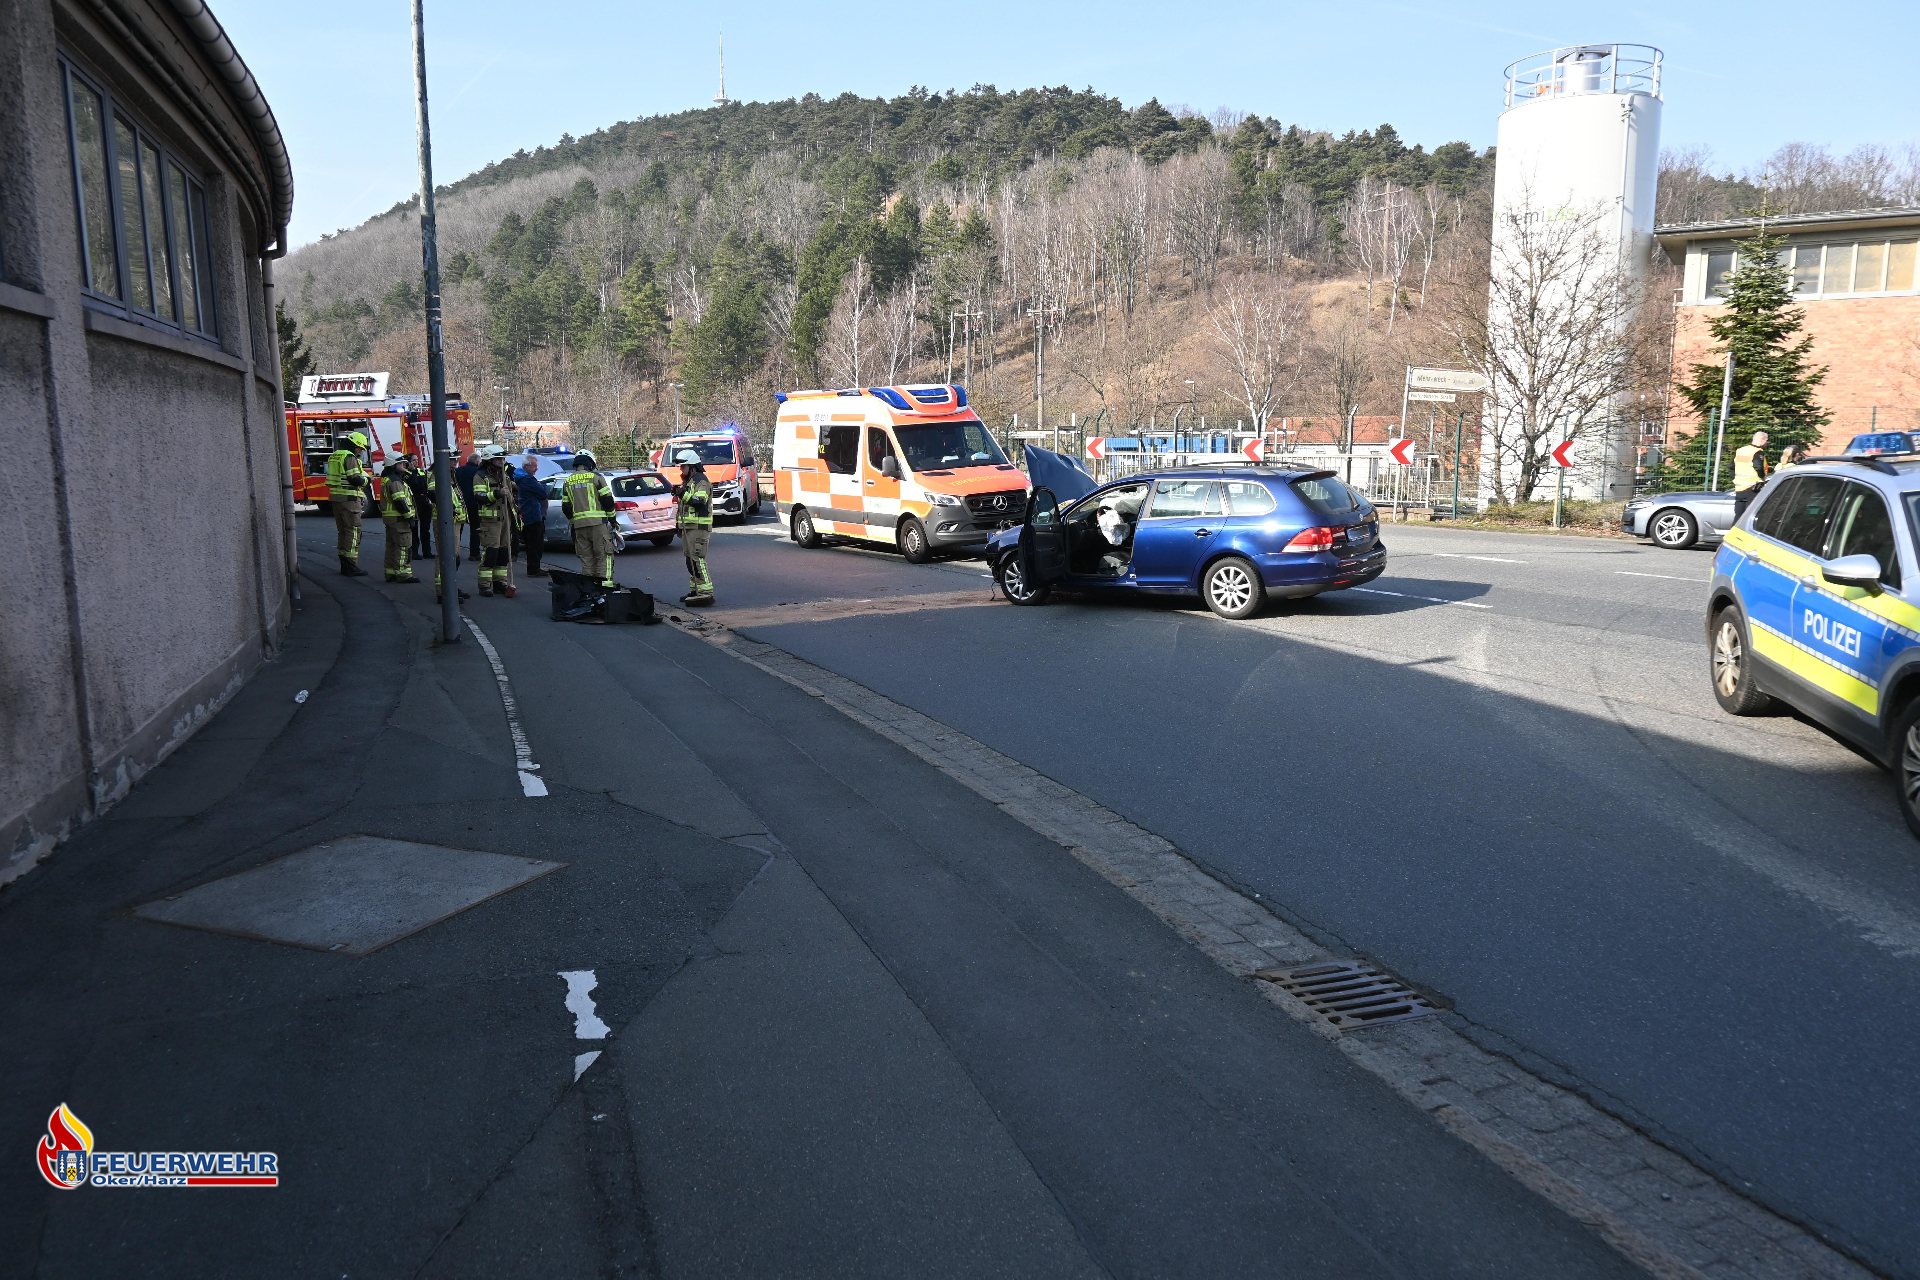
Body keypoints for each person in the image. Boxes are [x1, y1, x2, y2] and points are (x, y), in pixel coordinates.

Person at [561, 451, 619, 587]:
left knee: (586, 559)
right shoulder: (596, 477)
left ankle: (589, 590)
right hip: (598, 525)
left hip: (579, 527)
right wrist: (612, 521)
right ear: (590, 463)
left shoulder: (568, 481)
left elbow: (566, 507)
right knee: (604, 556)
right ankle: (605, 590)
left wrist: (574, 522)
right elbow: (608, 501)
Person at [470, 446, 519, 598]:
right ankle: (485, 585)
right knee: (491, 553)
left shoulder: (504, 475)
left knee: (504, 553)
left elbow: (511, 496)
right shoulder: (480, 476)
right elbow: (479, 496)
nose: (502, 461)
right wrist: (497, 493)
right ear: (489, 459)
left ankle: (500, 583)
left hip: (506, 520)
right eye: (498, 459)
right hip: (490, 521)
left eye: (503, 459)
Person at [325, 430, 372, 576]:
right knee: (353, 531)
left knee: (343, 531)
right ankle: (351, 566)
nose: (360, 451)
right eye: (360, 448)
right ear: (355, 445)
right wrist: (368, 480)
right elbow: (354, 479)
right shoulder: (349, 456)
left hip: (336, 498)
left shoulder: (336, 455)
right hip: (349, 500)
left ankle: (344, 565)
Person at [675, 449, 715, 606]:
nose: (681, 469)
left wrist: (681, 493)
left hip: (698, 527)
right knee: (690, 560)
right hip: (689, 528)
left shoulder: (701, 481)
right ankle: (696, 590)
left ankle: (706, 592)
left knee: (697, 559)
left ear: (692, 466)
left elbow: (699, 501)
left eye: (683, 466)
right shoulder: (690, 482)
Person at [377, 458, 421, 584]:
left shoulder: (389, 478)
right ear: (393, 465)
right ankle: (404, 574)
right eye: (401, 463)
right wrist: (409, 518)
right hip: (399, 519)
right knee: (403, 546)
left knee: (392, 546)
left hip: (391, 519)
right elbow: (400, 501)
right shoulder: (395, 481)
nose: (405, 464)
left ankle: (390, 572)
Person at [428, 468, 469, 602]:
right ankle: (443, 591)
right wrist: (448, 508)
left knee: (454, 556)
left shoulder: (450, 473)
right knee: (445, 555)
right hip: (445, 520)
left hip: (454, 520)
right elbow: (433, 494)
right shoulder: (437, 473)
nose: (455, 462)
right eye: (452, 459)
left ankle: (451, 587)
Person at [515, 456, 548, 578]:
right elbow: (543, 493)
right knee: (535, 543)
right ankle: (534, 569)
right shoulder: (527, 480)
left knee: (534, 543)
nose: (537, 469)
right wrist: (543, 486)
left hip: (530, 514)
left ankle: (535, 567)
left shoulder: (523, 478)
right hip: (532, 515)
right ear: (527, 466)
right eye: (534, 466)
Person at [1732, 430, 1771, 521]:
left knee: (1739, 516)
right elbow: (1758, 467)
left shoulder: (1740, 451)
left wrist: (1735, 479)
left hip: (1739, 489)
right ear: (1762, 440)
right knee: (1750, 517)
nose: (1767, 443)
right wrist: (1763, 478)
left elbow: (1731, 467)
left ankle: (1733, 533)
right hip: (1753, 488)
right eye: (1766, 440)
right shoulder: (1757, 452)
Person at [404, 454, 434, 557]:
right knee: (414, 527)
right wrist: (412, 471)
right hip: (414, 500)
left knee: (425, 528)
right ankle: (414, 552)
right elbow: (415, 484)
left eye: (417, 460)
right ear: (408, 462)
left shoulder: (421, 471)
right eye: (413, 460)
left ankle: (427, 552)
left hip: (424, 500)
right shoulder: (406, 474)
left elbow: (425, 484)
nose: (416, 462)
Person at [454, 451, 483, 560]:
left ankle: (455, 551)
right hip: (474, 503)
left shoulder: (458, 470)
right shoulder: (478, 472)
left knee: (458, 529)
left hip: (460, 503)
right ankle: (474, 553)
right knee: (475, 528)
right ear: (477, 461)